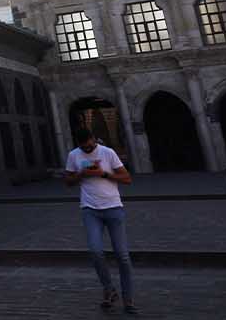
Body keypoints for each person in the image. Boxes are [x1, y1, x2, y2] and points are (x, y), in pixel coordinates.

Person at [65, 126, 136, 314]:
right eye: (83, 147)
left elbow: (127, 178)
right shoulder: (73, 155)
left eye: (90, 146)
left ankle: (128, 297)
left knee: (122, 255)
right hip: (90, 210)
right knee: (96, 252)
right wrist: (82, 174)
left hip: (113, 207)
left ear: (94, 139)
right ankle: (109, 289)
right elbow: (68, 182)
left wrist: (103, 174)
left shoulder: (108, 152)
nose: (87, 150)